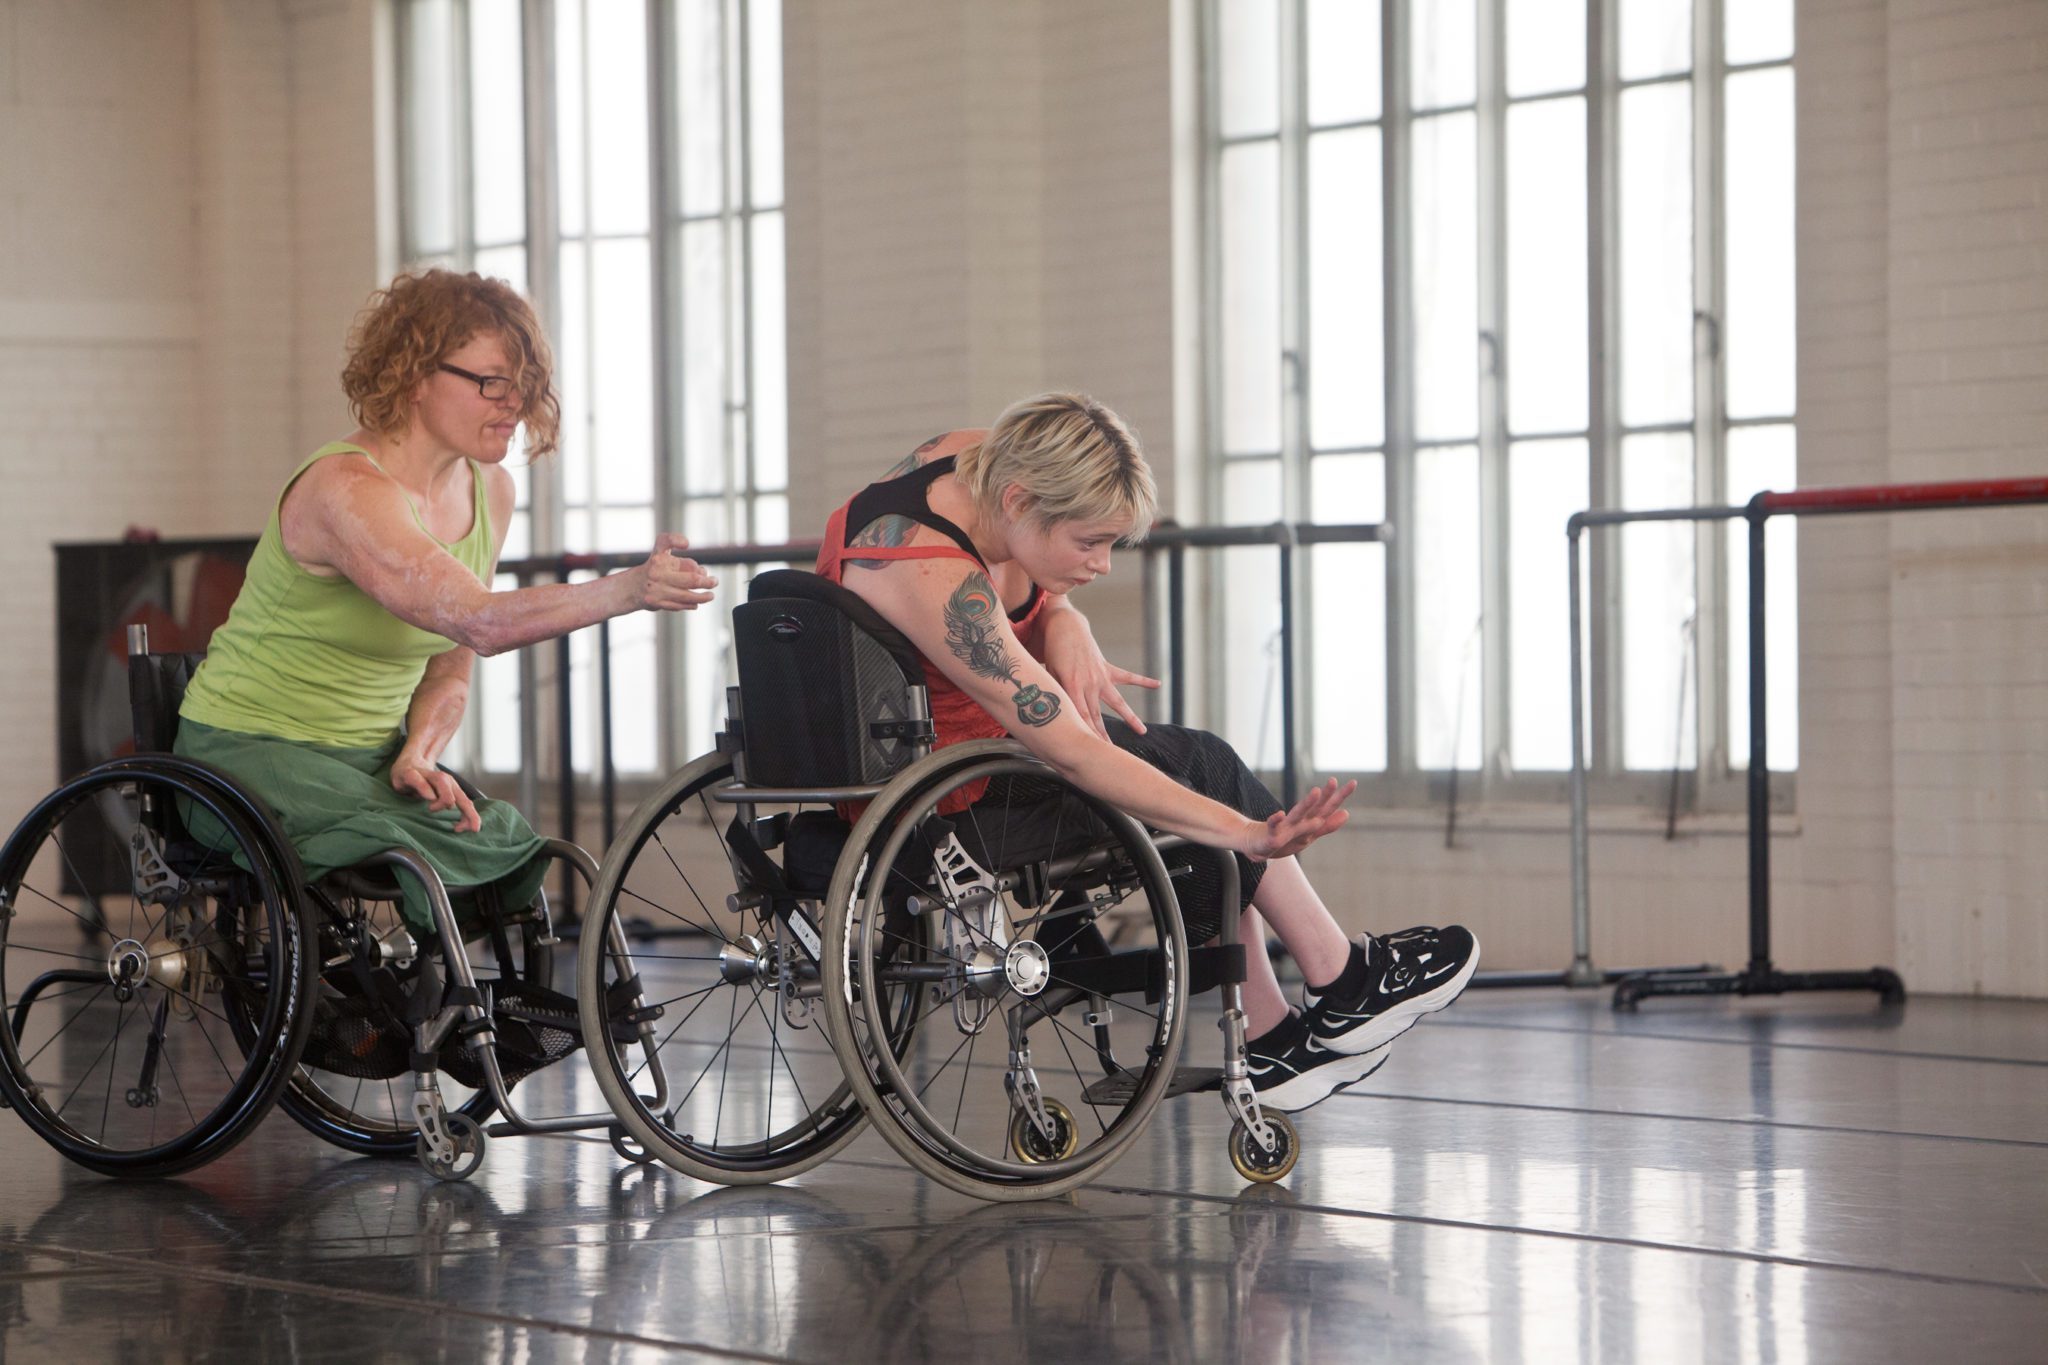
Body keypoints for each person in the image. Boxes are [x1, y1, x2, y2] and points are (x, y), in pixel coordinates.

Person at [819, 394, 1479, 1111]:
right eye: (1089, 542)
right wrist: (1250, 831)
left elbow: (1028, 573)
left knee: (1189, 776)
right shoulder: (934, 576)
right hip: (948, 813)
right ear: (1021, 500)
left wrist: (1066, 617)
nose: (1103, 564)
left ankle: (1273, 1036)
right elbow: (1076, 751)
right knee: (1199, 773)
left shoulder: (974, 457)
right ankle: (1342, 979)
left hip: (951, 768)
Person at [175, 268, 717, 932]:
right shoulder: (343, 489)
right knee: (429, 845)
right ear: (414, 375)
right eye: (491, 380)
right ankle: (415, 1010)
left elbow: (451, 661)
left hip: (367, 759)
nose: (512, 401)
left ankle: (467, 1018)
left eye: (522, 384)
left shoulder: (488, 491)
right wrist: (628, 589)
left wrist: (420, 751)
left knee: (505, 836)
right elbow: (479, 620)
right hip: (250, 750)